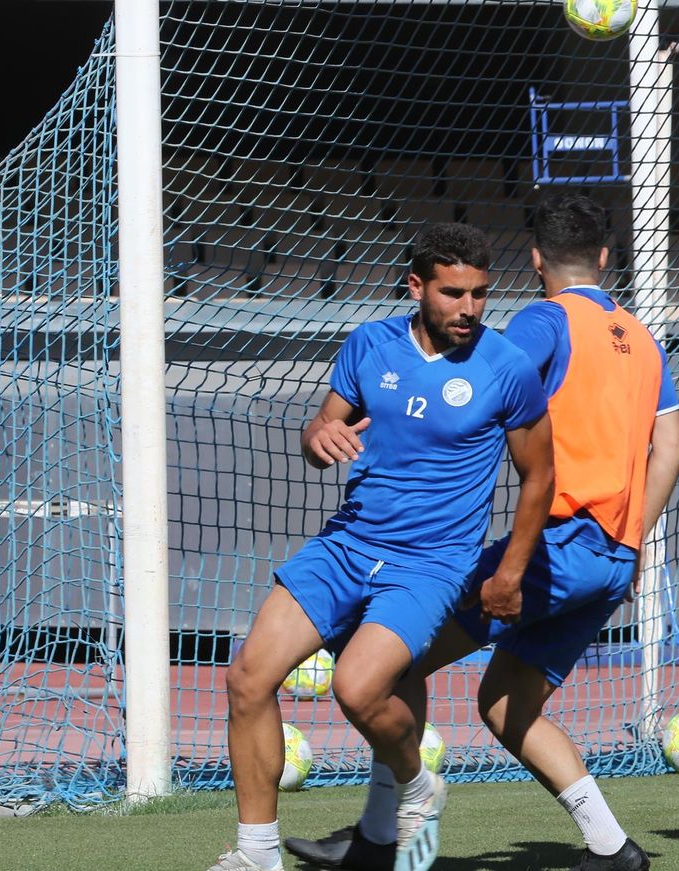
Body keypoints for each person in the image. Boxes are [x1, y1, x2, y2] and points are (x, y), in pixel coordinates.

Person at [285, 192, 679, 871]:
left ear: (534, 260)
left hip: (556, 546)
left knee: (393, 660)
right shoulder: (643, 336)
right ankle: (613, 848)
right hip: (613, 554)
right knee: (506, 705)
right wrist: (633, 541)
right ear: (606, 257)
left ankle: (387, 840)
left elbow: (477, 376)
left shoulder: (541, 322)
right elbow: (671, 445)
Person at [208, 223, 554, 871]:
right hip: (347, 544)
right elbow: (325, 426)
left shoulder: (506, 366)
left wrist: (509, 570)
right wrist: (318, 437)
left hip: (429, 564)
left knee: (359, 687)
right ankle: (258, 854)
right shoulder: (369, 344)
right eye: (454, 293)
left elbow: (541, 475)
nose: (470, 309)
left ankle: (418, 787)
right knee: (247, 676)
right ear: (416, 285)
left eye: (481, 294)